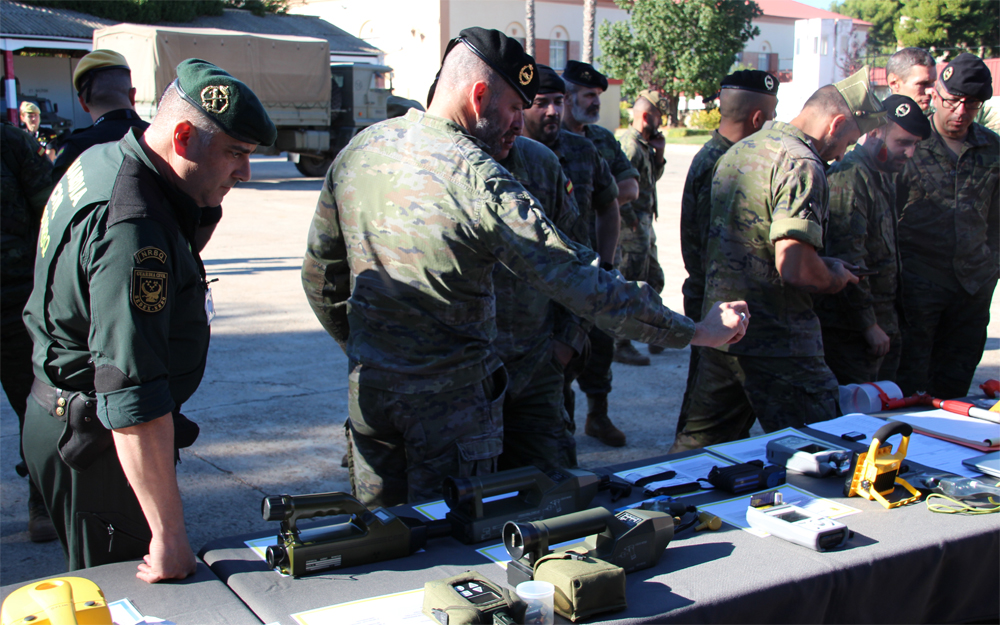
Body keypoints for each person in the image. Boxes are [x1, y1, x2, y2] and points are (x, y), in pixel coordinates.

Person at [301, 27, 749, 507]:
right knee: (453, 551)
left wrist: (371, 350)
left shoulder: (362, 150)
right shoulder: (476, 177)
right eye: (515, 107)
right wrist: (696, 331)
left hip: (372, 399)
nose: (521, 122)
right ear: (478, 97)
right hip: (450, 413)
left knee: (381, 542)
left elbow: (321, 278)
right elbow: (579, 280)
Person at [22, 59, 275, 581]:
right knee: (132, 598)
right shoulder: (134, 232)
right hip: (100, 440)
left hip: (68, 415)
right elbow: (130, 390)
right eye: (235, 153)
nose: (245, 173)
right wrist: (169, 535)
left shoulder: (107, 158)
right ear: (182, 136)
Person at [669, 67, 885, 453]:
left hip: (726, 331)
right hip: (781, 343)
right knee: (824, 451)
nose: (844, 153)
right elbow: (795, 266)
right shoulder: (802, 162)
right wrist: (833, 276)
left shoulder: (742, 149)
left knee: (697, 452)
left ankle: (660, 507)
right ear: (836, 124)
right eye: (849, 142)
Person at [521, 65, 627, 447]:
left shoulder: (582, 150)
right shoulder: (504, 154)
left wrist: (607, 265)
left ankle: (594, 417)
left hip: (579, 286)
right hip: (529, 298)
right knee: (547, 385)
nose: (552, 111)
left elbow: (608, 205)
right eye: (541, 103)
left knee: (595, 352)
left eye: (558, 102)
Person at [676, 70, 778, 444]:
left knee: (704, 406)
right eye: (772, 115)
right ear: (758, 119)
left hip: (711, 299)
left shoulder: (719, 155)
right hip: (715, 303)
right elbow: (713, 246)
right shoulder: (726, 163)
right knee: (702, 413)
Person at [895, 53, 998, 399]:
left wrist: (990, 270)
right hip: (916, 287)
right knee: (907, 387)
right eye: (952, 102)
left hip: (972, 289)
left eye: (971, 106)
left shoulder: (992, 149)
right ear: (936, 94)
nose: (959, 113)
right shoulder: (908, 142)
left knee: (953, 390)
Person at [816, 95, 930, 385]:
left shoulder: (879, 175)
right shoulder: (850, 177)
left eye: (914, 144)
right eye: (903, 142)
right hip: (851, 330)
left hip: (882, 321)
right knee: (855, 418)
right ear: (876, 131)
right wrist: (867, 324)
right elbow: (848, 260)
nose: (910, 153)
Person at [560, 61, 639, 431]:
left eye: (598, 97)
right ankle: (560, 421)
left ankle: (598, 414)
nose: (596, 103)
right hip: (558, 263)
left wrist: (589, 199)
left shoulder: (602, 140)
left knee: (601, 340)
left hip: (599, 258)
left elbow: (629, 188)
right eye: (589, 95)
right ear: (567, 95)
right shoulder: (540, 136)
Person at [1, 122, 57, 543]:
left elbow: (48, 210)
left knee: (32, 407)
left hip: (12, 297)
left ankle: (42, 502)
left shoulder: (10, 141)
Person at [613, 90, 667, 367]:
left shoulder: (645, 145)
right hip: (632, 226)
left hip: (645, 224)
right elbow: (617, 187)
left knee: (654, 279)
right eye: (658, 116)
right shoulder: (630, 146)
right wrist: (630, 219)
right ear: (646, 116)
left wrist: (660, 154)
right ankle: (620, 343)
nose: (661, 122)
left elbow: (650, 180)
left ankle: (653, 332)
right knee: (631, 284)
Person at [886, 47, 937, 112]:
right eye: (922, 84)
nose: (931, 91)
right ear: (894, 83)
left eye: (932, 83)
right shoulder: (878, 120)